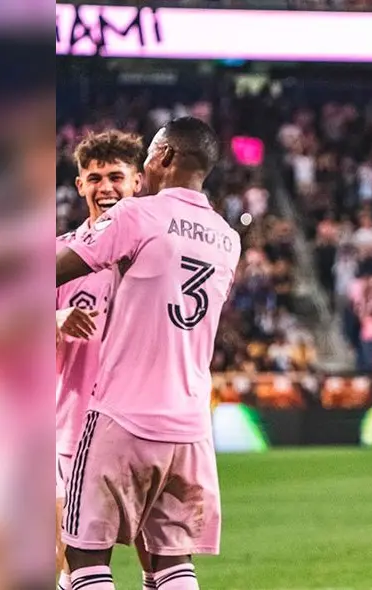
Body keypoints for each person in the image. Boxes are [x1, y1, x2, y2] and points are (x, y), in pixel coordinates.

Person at [55, 117, 241, 590]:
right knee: (171, 565)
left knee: (84, 557)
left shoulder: (137, 216)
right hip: (191, 428)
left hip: (123, 414)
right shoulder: (227, 237)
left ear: (164, 158)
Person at [55, 130, 158, 590]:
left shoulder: (158, 253)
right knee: (72, 563)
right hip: (72, 432)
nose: (106, 187)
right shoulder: (56, 256)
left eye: (117, 176)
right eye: (94, 177)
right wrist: (53, 316)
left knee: (158, 562)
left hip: (140, 429)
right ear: (79, 186)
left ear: (137, 181)